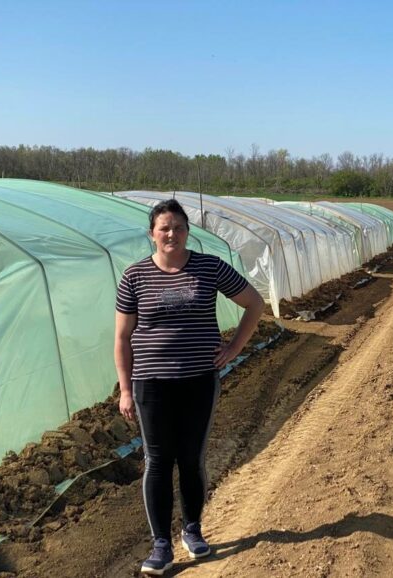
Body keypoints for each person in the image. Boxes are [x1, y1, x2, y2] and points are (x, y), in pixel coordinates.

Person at [114, 199, 264, 575]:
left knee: (191, 458)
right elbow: (122, 338)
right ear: (152, 234)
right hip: (151, 385)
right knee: (158, 461)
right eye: (164, 228)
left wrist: (233, 348)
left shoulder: (208, 267)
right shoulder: (134, 277)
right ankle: (161, 544)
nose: (172, 234)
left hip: (198, 380)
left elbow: (254, 303)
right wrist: (125, 389)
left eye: (179, 228)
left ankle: (192, 530)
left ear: (187, 232)